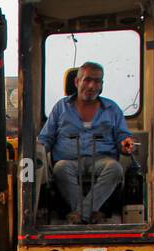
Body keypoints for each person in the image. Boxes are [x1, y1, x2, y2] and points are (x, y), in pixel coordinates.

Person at [38, 61, 137, 224]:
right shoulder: (61, 108)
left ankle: (80, 215)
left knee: (115, 168)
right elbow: (45, 139)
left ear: (102, 85)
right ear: (77, 82)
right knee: (60, 168)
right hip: (69, 162)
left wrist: (126, 144)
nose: (92, 86)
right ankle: (91, 213)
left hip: (101, 160)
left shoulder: (112, 109)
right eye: (87, 80)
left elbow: (123, 137)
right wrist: (36, 152)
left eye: (97, 81)